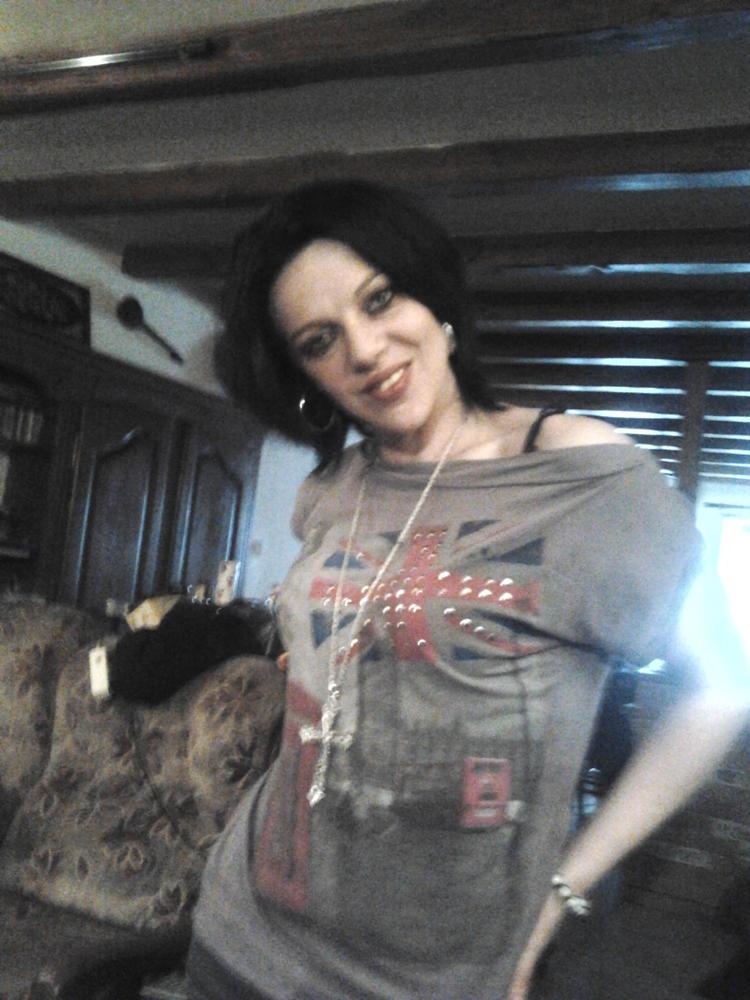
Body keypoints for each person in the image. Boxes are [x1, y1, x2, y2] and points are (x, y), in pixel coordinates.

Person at [186, 179, 749, 1000]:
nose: (365, 350)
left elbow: (724, 688)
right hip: (244, 939)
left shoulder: (584, 474)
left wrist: (563, 890)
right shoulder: (331, 488)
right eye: (320, 340)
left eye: (380, 299)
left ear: (435, 298)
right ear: (303, 374)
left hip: (432, 977)